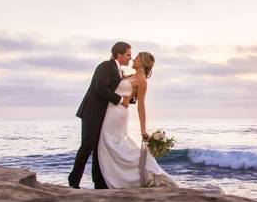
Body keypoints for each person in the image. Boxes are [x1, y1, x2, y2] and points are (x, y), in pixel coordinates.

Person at [95, 51, 177, 188]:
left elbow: (141, 107)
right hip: (111, 111)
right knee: (110, 144)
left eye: (137, 58)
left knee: (114, 144)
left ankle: (144, 171)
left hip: (118, 114)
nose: (133, 59)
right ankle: (110, 179)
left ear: (142, 63)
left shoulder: (142, 81)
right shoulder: (130, 76)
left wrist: (143, 130)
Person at [68, 42, 133, 189]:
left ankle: (99, 182)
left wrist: (129, 98)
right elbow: (100, 89)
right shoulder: (106, 66)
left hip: (102, 114)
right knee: (87, 146)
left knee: (98, 147)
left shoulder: (117, 70)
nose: (130, 58)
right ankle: (74, 181)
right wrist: (121, 100)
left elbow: (116, 89)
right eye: (128, 55)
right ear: (119, 54)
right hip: (92, 112)